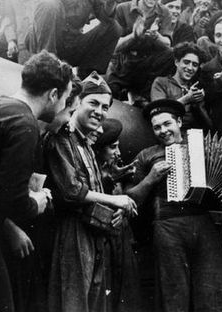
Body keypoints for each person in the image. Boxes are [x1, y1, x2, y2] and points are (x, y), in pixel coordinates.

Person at [45, 72, 137, 312]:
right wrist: (116, 199)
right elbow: (72, 191)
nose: (100, 111)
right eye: (93, 103)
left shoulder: (85, 142)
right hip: (72, 233)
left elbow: (95, 189)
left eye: (105, 107)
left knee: (95, 302)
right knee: (74, 303)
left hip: (94, 230)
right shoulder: (61, 138)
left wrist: (114, 209)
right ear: (77, 104)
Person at [125, 99, 222, 311]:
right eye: (157, 127)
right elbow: (130, 198)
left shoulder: (203, 147)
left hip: (206, 224)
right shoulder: (146, 155)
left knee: (212, 291)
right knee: (174, 293)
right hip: (167, 226)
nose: (163, 131)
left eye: (167, 124)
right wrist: (150, 178)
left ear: (179, 122)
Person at [0, 50, 73, 312]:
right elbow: (12, 200)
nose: (63, 107)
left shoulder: (0, 107)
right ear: (52, 94)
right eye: (65, 98)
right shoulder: (25, 124)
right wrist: (35, 202)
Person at [91, 118, 141, 312]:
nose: (118, 153)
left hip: (122, 240)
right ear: (98, 149)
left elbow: (130, 203)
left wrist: (124, 210)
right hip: (102, 242)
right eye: (112, 148)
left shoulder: (115, 169)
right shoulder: (92, 173)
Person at [26, 0, 121, 78]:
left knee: (114, 28)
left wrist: (110, 2)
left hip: (70, 46)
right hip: (45, 43)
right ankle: (46, 67)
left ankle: (89, 78)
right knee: (49, 4)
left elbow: (106, 18)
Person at [151, 42, 212, 129]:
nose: (190, 68)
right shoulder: (161, 83)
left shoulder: (195, 89)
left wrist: (197, 103)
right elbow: (160, 113)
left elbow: (208, 125)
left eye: (195, 65)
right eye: (186, 62)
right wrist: (186, 99)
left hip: (193, 135)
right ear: (176, 62)